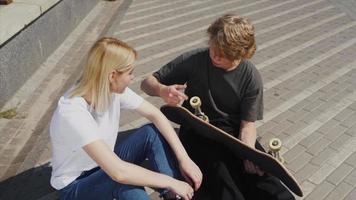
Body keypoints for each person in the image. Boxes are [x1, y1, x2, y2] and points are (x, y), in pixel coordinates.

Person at [141, 14, 295, 200]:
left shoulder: (250, 77)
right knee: (226, 185)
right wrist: (161, 89)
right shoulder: (196, 59)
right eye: (213, 48)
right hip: (197, 131)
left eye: (222, 54)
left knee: (270, 188)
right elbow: (147, 83)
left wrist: (249, 155)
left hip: (233, 135)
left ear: (240, 54)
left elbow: (247, 126)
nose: (214, 55)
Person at [49, 37, 202, 200]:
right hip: (76, 187)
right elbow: (119, 173)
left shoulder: (110, 89)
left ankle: (174, 197)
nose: (132, 78)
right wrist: (170, 181)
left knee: (150, 132)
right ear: (112, 75)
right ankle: (175, 189)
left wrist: (184, 159)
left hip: (105, 165)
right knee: (123, 180)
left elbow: (156, 115)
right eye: (129, 72)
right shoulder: (72, 112)